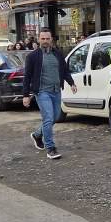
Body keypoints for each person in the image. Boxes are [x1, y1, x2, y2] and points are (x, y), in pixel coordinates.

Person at [22, 28, 77, 160]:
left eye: (47, 38)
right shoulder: (33, 56)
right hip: (42, 92)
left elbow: (65, 71)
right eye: (43, 39)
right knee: (48, 118)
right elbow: (27, 76)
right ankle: (50, 148)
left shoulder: (58, 54)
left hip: (56, 91)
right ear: (39, 39)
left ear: (51, 39)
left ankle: (37, 135)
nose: (45, 41)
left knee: (55, 117)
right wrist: (25, 95)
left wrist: (71, 83)